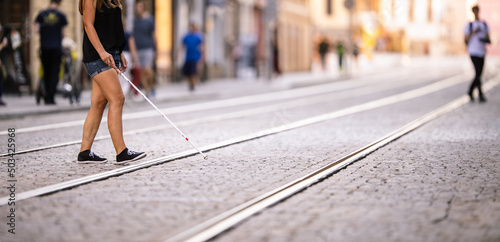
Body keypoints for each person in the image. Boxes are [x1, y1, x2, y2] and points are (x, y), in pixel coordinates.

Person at [78, 0, 146, 164]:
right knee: (117, 98)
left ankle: (84, 152)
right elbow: (88, 25)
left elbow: (111, 28)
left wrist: (119, 52)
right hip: (98, 56)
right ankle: (121, 152)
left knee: (98, 103)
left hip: (111, 53)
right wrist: (102, 52)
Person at [35, 0, 68, 105]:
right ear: (58, 3)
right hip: (56, 48)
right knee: (55, 72)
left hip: (44, 47)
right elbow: (63, 34)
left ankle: (46, 96)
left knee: (46, 72)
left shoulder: (41, 14)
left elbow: (36, 30)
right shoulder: (61, 15)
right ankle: (51, 97)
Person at [464, 5, 490, 103]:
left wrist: (485, 38)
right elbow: (466, 38)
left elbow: (488, 37)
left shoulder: (484, 24)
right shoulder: (469, 25)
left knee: (479, 74)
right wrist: (473, 32)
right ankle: (479, 93)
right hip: (473, 51)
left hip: (482, 51)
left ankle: (471, 92)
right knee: (478, 72)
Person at [134, 0, 156, 98]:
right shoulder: (134, 21)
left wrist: (156, 48)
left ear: (143, 8)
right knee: (142, 72)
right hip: (138, 48)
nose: (137, 9)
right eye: (136, 7)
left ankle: (152, 86)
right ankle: (147, 91)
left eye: (139, 7)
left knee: (147, 69)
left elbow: (154, 35)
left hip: (148, 47)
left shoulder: (149, 20)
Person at [182, 23, 204, 91]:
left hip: (195, 57)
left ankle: (193, 85)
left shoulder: (198, 37)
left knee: (193, 72)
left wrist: (202, 56)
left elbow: (202, 46)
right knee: (188, 73)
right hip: (188, 57)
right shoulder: (186, 36)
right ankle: (191, 84)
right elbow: (182, 45)